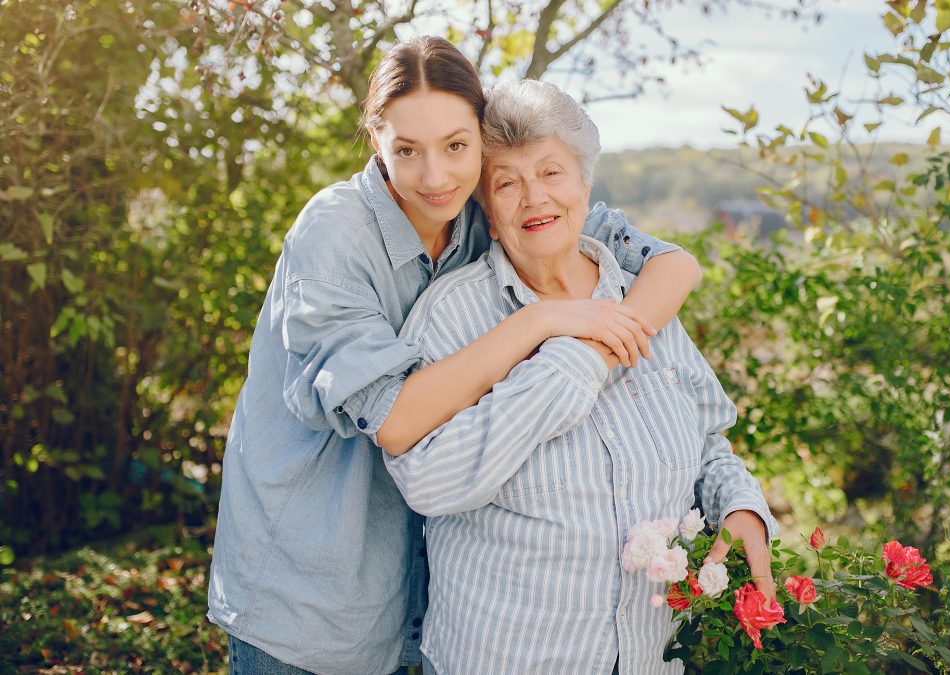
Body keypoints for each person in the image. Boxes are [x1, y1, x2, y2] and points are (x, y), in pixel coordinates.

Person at [206, 37, 703, 674]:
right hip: (313, 588)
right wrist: (544, 321)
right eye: (406, 150)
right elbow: (396, 419)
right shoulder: (333, 235)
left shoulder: (490, 207)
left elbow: (673, 265)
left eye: (456, 146)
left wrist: (600, 349)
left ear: (478, 136)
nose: (435, 176)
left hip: (429, 590)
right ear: (375, 139)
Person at [384, 79, 779, 675]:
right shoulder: (450, 318)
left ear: (585, 186)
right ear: (487, 212)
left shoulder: (640, 296)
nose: (533, 198)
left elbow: (705, 442)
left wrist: (741, 508)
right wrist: (577, 356)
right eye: (507, 184)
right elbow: (429, 484)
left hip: (650, 658)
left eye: (552, 173)